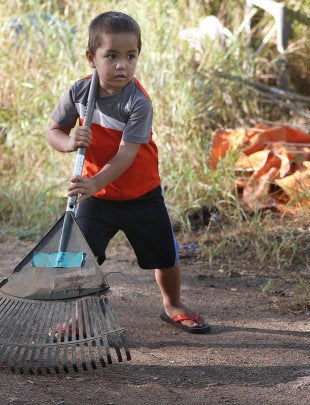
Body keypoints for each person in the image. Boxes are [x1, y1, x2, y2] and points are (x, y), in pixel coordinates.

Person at [46, 11, 210, 334]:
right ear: (91, 58)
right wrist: (68, 142)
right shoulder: (79, 94)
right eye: (112, 56)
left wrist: (93, 182)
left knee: (165, 254)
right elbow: (53, 130)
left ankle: (172, 304)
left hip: (141, 193)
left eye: (130, 56)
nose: (122, 65)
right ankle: (82, 320)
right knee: (82, 258)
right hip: (98, 197)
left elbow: (125, 156)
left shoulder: (138, 102)